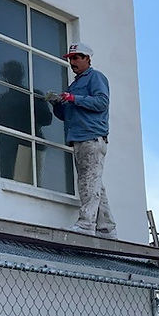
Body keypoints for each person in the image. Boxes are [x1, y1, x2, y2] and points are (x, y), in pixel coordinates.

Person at [49, 41, 116, 238]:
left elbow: (102, 102)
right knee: (94, 182)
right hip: (80, 137)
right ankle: (107, 227)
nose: (73, 62)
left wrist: (73, 99)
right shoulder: (75, 84)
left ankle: (87, 224)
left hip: (91, 136)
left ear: (88, 59)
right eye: (71, 59)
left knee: (89, 181)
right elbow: (66, 115)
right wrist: (57, 104)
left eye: (77, 57)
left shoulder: (95, 77)